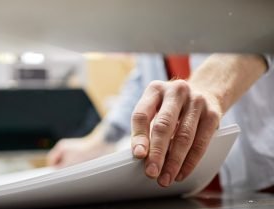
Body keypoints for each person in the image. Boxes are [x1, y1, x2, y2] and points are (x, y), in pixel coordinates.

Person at [48, 53, 274, 193]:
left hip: (262, 176)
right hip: (190, 186)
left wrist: (209, 88)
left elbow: (262, 29)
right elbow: (142, 76)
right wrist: (99, 141)